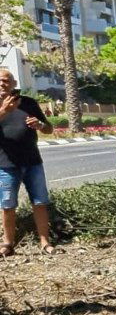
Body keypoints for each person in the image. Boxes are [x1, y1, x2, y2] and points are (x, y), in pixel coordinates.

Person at [0, 68, 54, 257]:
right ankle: (8, 243)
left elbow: (49, 129)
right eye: (0, 81)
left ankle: (44, 242)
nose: (2, 84)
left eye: (6, 81)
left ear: (14, 84)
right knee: (8, 204)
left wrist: (40, 125)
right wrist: (3, 111)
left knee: (40, 202)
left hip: (33, 161)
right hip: (5, 164)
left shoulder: (29, 103)